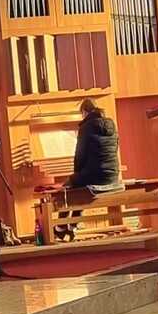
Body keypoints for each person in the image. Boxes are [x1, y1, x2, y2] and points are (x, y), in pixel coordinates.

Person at [56, 98, 121, 241]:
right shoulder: (111, 124)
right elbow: (115, 147)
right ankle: (72, 226)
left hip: (95, 175)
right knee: (80, 187)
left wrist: (76, 174)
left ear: (84, 112)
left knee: (67, 187)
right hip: (112, 175)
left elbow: (79, 155)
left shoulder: (86, 127)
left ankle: (60, 227)